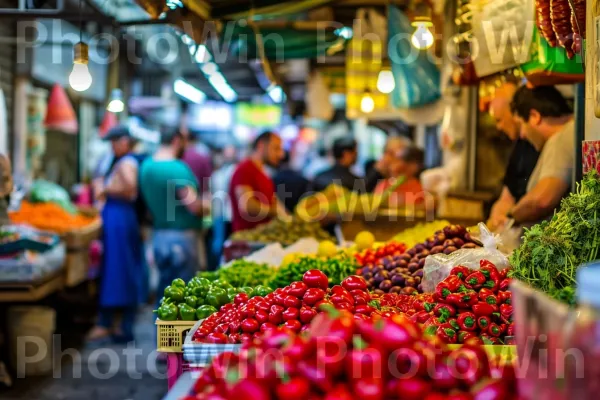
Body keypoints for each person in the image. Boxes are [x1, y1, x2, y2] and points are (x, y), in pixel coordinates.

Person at [140, 127, 210, 309]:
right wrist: (208, 206)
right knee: (183, 296)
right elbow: (193, 205)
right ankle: (178, 337)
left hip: (159, 236)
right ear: (177, 141)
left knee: (164, 294)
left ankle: (161, 335)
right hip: (182, 239)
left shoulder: (146, 167)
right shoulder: (177, 169)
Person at [88, 126, 145, 343]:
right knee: (120, 268)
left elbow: (131, 189)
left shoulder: (126, 163)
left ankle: (116, 323)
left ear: (125, 141)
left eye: (115, 141)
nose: (112, 146)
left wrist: (105, 189)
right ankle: (121, 323)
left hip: (119, 218)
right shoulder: (123, 161)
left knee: (118, 268)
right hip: (119, 218)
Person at [506, 85, 574, 225]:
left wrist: (512, 215)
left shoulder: (560, 139)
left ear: (534, 116)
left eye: (521, 125)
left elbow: (541, 200)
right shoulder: (570, 132)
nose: (522, 135)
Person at [487, 82, 540, 230]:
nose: (498, 127)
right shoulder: (518, 147)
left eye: (499, 120)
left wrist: (510, 216)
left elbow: (541, 200)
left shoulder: (542, 143)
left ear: (514, 113)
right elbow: (507, 196)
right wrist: (496, 219)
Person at [229, 131, 288, 233]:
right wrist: (274, 212)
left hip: (262, 238)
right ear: (261, 146)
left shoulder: (263, 173)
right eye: (276, 148)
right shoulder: (245, 169)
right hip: (248, 241)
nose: (281, 154)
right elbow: (247, 206)